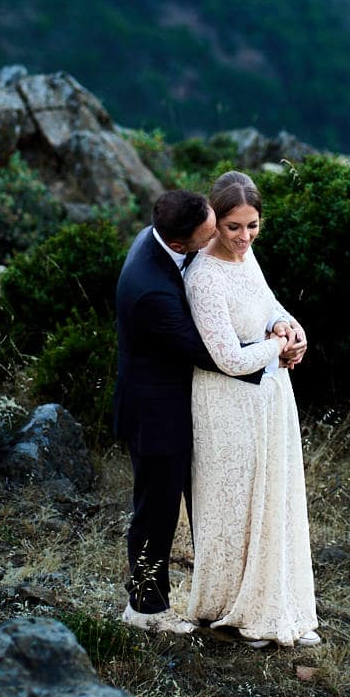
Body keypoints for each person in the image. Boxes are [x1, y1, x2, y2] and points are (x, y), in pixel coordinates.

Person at [113, 189, 268, 635]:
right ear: (181, 244)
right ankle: (145, 610)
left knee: (202, 504)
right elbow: (205, 351)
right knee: (156, 513)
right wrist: (271, 354)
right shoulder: (151, 292)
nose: (220, 237)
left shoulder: (160, 235)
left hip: (177, 401)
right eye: (211, 233)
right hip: (156, 414)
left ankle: (218, 596)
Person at [183, 170, 319, 648]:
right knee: (236, 501)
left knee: (272, 497)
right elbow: (227, 358)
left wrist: (290, 327)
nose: (244, 237)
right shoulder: (203, 277)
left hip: (269, 395)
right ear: (214, 223)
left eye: (253, 226)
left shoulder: (247, 257)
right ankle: (231, 607)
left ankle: (273, 602)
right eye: (234, 227)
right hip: (226, 400)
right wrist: (275, 346)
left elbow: (268, 303)